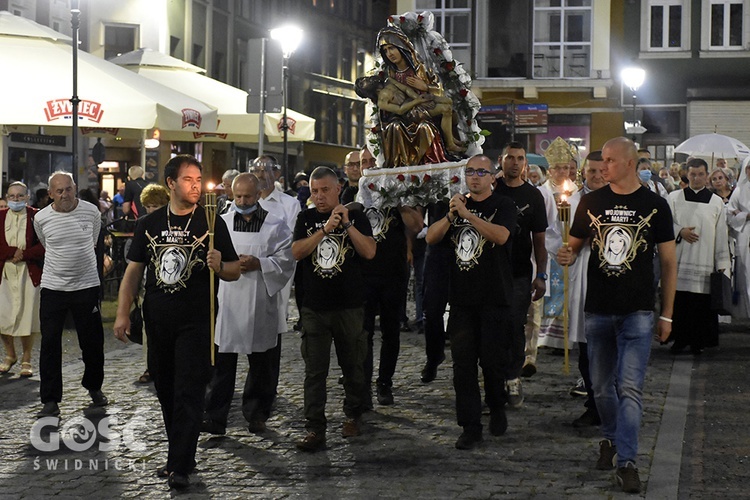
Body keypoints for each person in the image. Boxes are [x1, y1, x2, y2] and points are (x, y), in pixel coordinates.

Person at [113, 155, 240, 489]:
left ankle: (179, 464)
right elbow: (133, 272)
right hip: (158, 321)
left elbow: (234, 270)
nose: (195, 186)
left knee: (189, 391)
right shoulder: (149, 224)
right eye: (188, 180)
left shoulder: (211, 223)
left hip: (196, 322)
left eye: (199, 180)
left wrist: (219, 266)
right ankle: (180, 454)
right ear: (171, 183)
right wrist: (123, 313)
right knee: (166, 390)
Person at [557, 136, 676, 494]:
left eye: (608, 160)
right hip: (598, 310)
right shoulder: (590, 202)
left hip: (637, 312)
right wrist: (567, 254)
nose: (601, 167)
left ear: (628, 163)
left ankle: (627, 462)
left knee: (629, 388)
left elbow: (668, 262)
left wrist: (667, 314)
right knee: (601, 389)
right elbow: (574, 246)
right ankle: (609, 438)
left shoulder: (655, 205)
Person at [426, 155, 516, 449]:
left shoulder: (503, 205)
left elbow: (501, 236)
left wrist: (469, 216)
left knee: (492, 361)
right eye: (470, 172)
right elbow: (431, 238)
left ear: (493, 177)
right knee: (462, 366)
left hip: (494, 296)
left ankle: (497, 405)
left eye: (481, 172)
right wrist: (453, 216)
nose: (475, 177)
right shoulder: (455, 207)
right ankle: (470, 425)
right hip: (462, 299)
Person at [202, 173, 295, 435]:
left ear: (258, 195)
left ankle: (257, 414)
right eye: (238, 196)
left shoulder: (276, 225)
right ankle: (216, 416)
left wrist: (260, 264)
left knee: (261, 364)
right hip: (228, 300)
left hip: (259, 298)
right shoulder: (220, 223)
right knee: (222, 365)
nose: (242, 201)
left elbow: (287, 261)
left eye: (248, 196)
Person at [292, 166, 376, 452]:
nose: (319, 196)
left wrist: (347, 224)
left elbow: (369, 252)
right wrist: (325, 230)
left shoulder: (358, 216)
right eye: (314, 191)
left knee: (353, 366)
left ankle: (353, 414)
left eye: (325, 190)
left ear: (338, 188)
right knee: (315, 371)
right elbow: (297, 252)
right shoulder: (305, 218)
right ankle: (315, 427)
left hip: (349, 306)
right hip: (314, 307)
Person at [33, 172, 109, 418]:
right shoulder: (41, 218)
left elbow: (94, 242)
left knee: (93, 342)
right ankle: (51, 399)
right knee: (50, 344)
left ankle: (94, 387)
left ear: (75, 188)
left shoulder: (91, 212)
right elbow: (45, 244)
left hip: (86, 286)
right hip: (53, 287)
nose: (65, 195)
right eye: (59, 191)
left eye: (68, 189)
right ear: (50, 194)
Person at [360, 175, 423, 407]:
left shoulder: (401, 190)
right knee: (363, 333)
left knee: (390, 332)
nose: (368, 168)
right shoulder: (355, 193)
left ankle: (384, 383)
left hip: (393, 273)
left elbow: (417, 225)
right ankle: (363, 385)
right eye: (363, 163)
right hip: (364, 273)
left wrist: (397, 199)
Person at [495, 142, 548, 409]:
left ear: (525, 163)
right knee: (493, 328)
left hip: (519, 274)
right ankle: (493, 381)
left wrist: (542, 274)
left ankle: (513, 377)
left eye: (520, 158)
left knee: (515, 327)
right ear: (501, 160)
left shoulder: (534, 196)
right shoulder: (490, 190)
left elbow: (539, 241)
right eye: (510, 158)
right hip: (491, 272)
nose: (515, 163)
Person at [667, 158, 730, 354]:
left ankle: (699, 342)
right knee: (680, 302)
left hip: (705, 260)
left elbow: (721, 233)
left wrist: (722, 262)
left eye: (701, 174)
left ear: (706, 175)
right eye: (693, 174)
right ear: (687, 174)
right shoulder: (674, 197)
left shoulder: (716, 202)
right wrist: (680, 231)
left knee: (701, 304)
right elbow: (665, 224)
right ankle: (679, 339)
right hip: (680, 258)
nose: (696, 178)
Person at [0, 182, 43, 377]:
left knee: (28, 315)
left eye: (19, 196)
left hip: (28, 271)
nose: (15, 200)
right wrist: (12, 252)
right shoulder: (0, 216)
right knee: (3, 315)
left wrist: (23, 254)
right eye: (11, 196)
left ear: (27, 197)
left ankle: (27, 358)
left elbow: (44, 244)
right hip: (5, 272)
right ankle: (10, 355)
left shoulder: (37, 216)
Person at [133, 183, 171, 384]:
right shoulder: (142, 223)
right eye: (148, 206)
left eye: (155, 206)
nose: (151, 210)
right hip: (148, 281)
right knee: (149, 329)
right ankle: (150, 366)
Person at [727, 157, 750, 318]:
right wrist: (744, 216)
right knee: (746, 272)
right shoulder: (740, 189)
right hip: (745, 234)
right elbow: (730, 211)